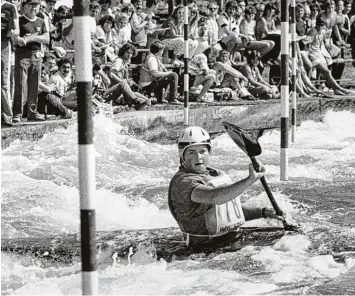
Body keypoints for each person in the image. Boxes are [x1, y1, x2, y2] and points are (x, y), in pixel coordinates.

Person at [168, 126, 284, 249]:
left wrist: (264, 212)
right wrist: (250, 180)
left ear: (209, 152)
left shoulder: (213, 174)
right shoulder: (183, 183)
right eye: (191, 152)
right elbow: (214, 197)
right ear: (182, 157)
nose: (198, 157)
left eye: (202, 151)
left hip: (233, 240)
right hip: (205, 249)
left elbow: (229, 212)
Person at [12, 0, 49, 122]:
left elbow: (47, 38)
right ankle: (17, 113)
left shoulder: (41, 21)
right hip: (22, 54)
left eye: (36, 5)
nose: (34, 8)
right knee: (20, 84)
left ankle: (32, 113)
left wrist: (32, 37)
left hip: (36, 55)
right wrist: (23, 39)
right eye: (31, 5)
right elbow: (15, 37)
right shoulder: (20, 20)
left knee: (34, 85)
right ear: (25, 6)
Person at [1, 0, 19, 126]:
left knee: (3, 80)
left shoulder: (10, 7)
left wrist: (12, 32)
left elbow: (16, 30)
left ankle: (6, 115)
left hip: (3, 44)